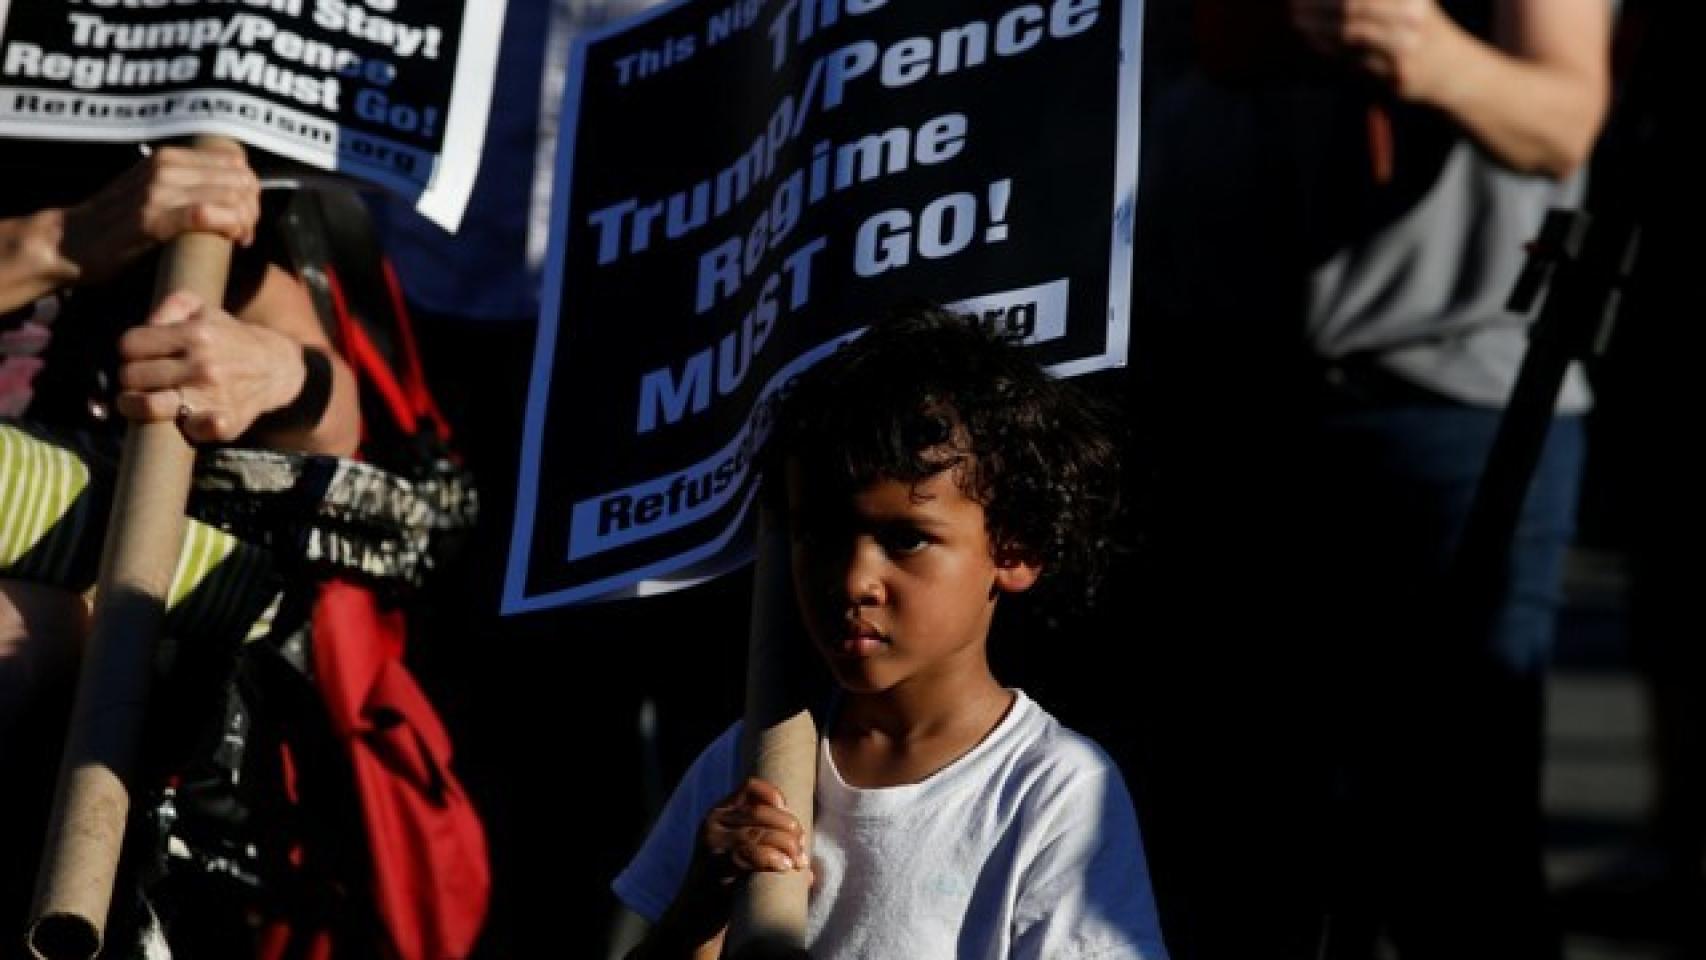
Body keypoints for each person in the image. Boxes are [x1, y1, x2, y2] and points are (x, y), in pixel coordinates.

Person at [1125, 0, 1612, 956]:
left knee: (1458, 847)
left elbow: (1560, 120)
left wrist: (1424, 51)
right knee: (1230, 836)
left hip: (1450, 401)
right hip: (1214, 385)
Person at [611, 310, 1170, 960]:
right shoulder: (751, 761)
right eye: (817, 534)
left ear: (1016, 547)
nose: (853, 580)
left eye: (906, 539)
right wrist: (697, 916)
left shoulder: (1050, 791)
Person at [0, 139, 361, 945]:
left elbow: (335, 426)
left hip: (133, 652)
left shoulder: (182, 150)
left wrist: (273, 372)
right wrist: (59, 242)